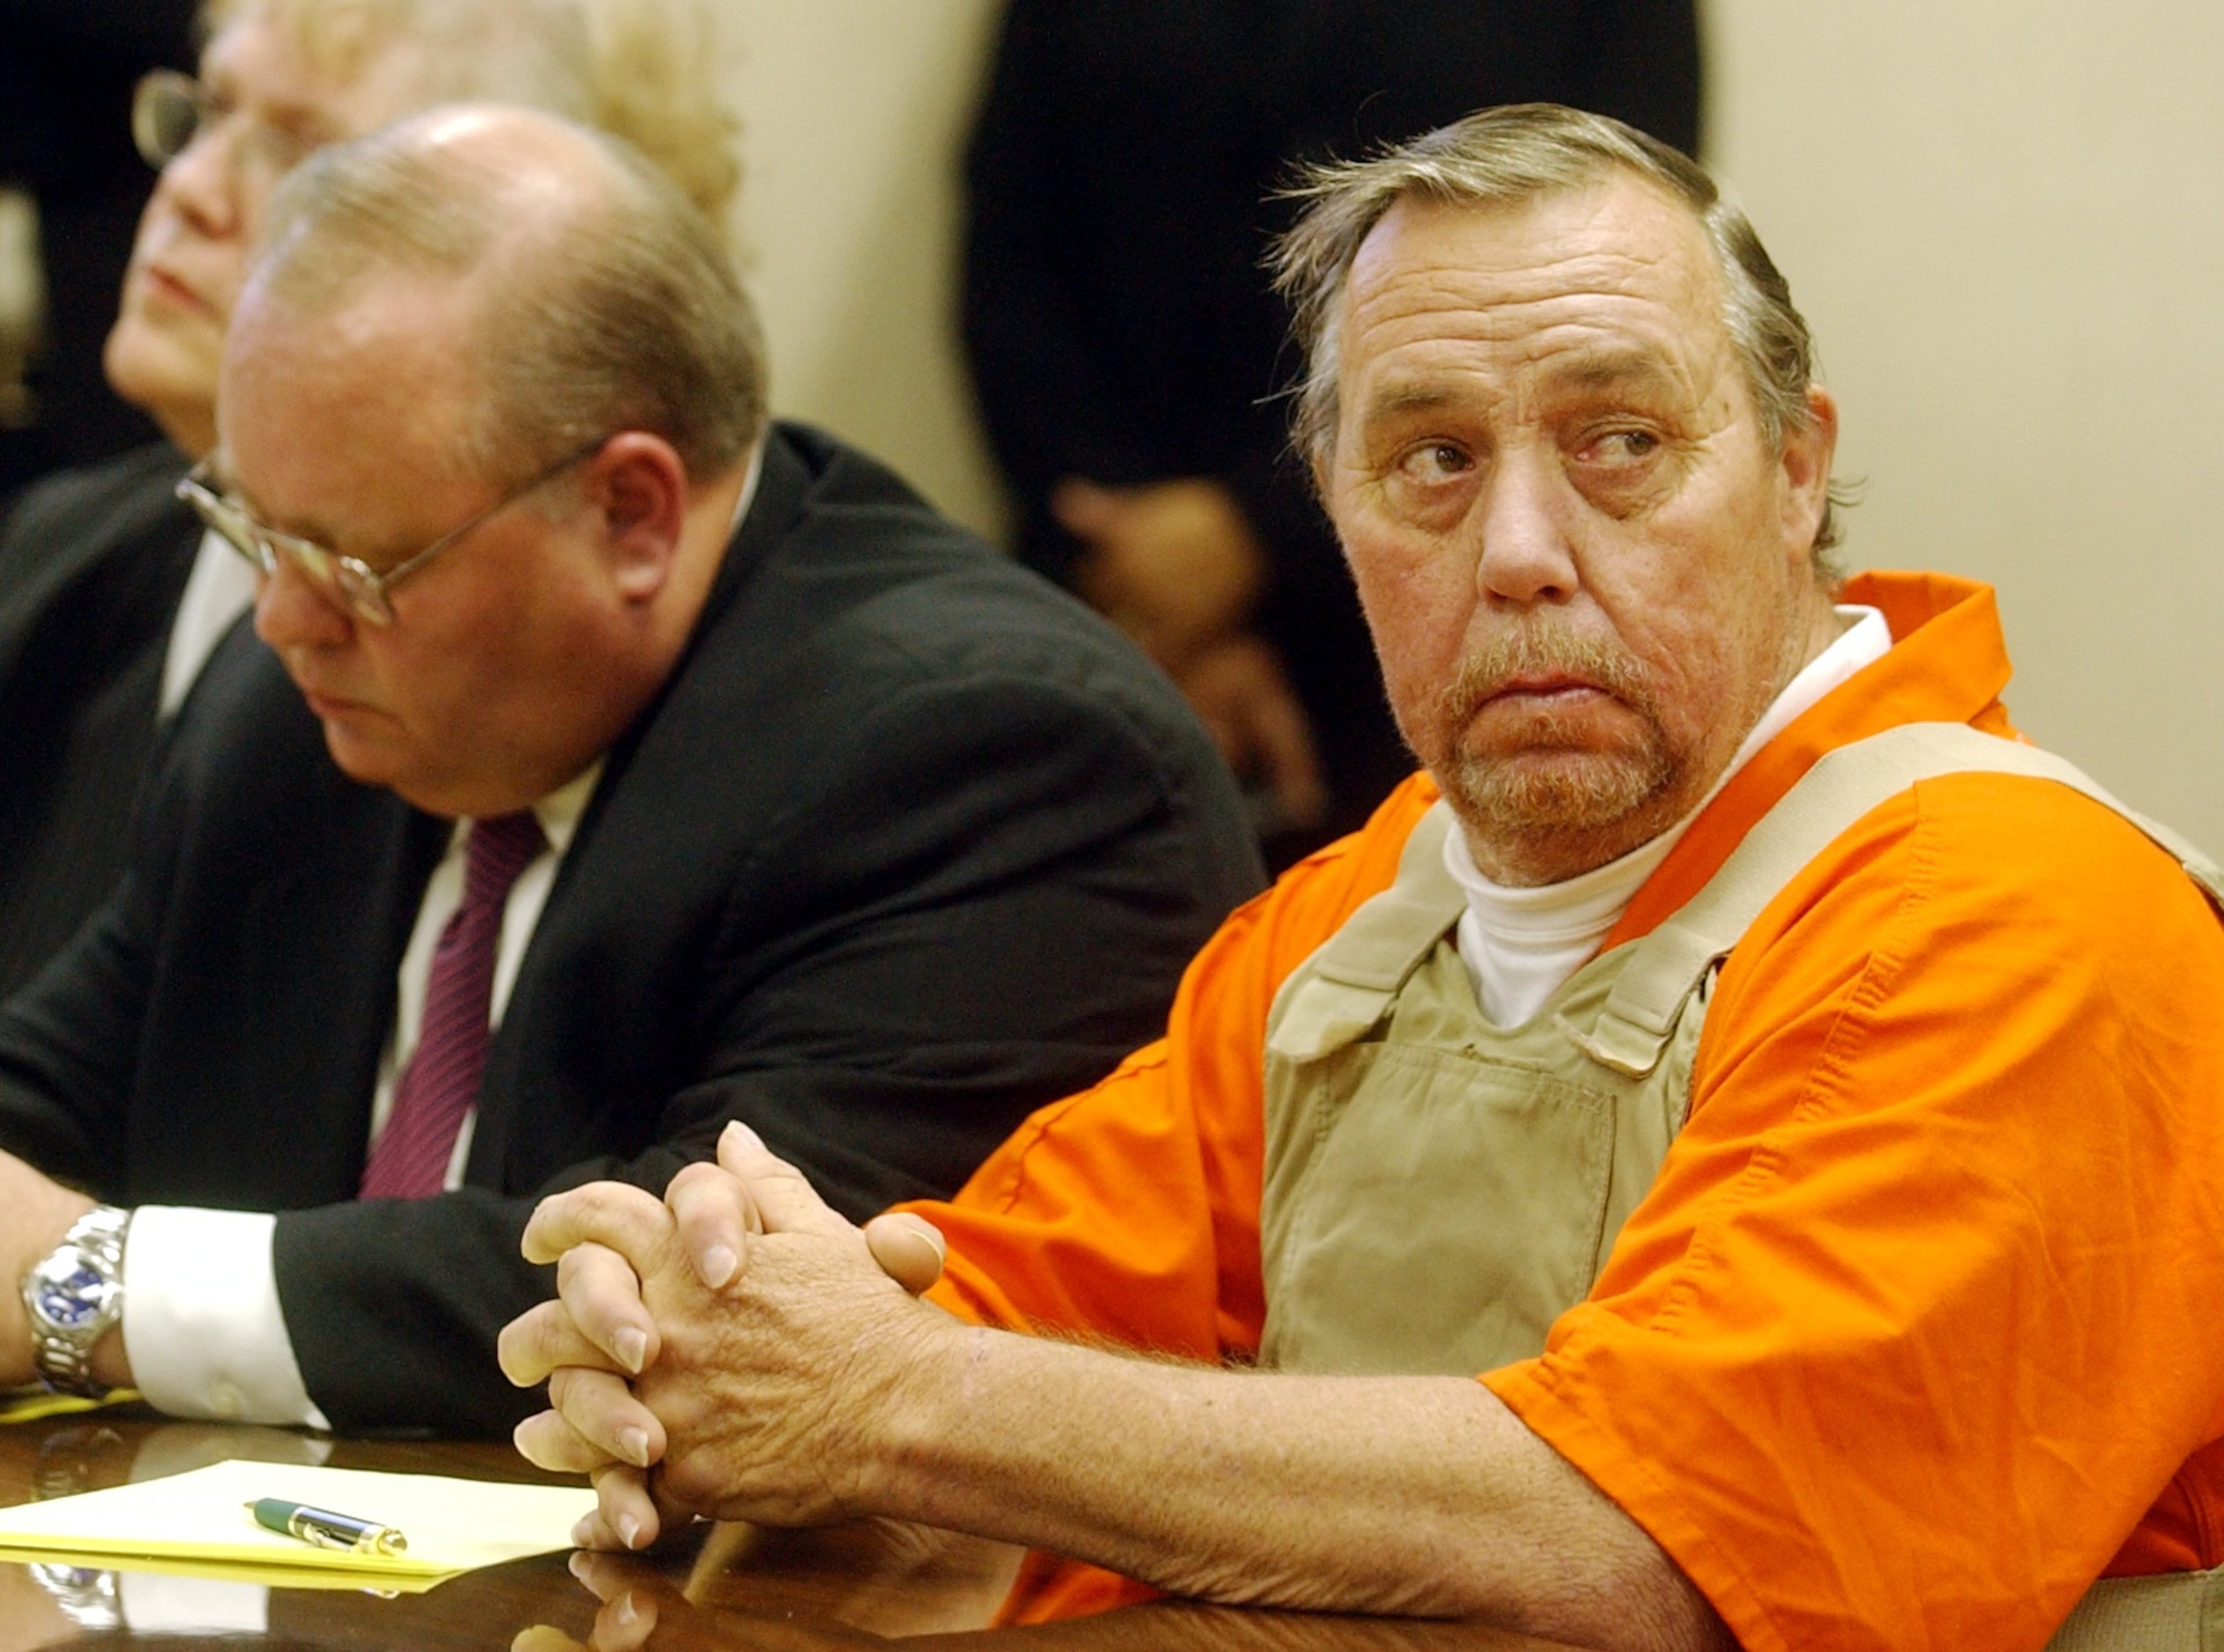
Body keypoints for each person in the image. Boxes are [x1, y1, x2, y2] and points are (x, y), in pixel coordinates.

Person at [509, 106, 2224, 1650]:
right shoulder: (1355, 915)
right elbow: (986, 1302)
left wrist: (892, 1397)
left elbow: (1650, 1536)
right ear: (1332, 509)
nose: (1525, 553)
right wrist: (714, 1311)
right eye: (1433, 463)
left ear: (1793, 470)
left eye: (1621, 440)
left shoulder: (2020, 905)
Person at [0, 107, 1261, 1438]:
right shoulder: (315, 686)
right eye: (254, 527)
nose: (281, 618)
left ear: (633, 514)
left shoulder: (1001, 763)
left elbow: (705, 1310)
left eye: (350, 565)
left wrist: (94, 1287)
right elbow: (51, 1090)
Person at [0, 0, 738, 1001]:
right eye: (208, 113)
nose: (189, 190)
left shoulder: (514, 716)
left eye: (308, 159)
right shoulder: (58, 551)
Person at [963, 0, 1700, 862]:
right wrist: (1152, 593)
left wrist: (1253, 533)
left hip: (1459, 607)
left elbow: (1620, 276)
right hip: (1112, 621)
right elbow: (1011, 268)